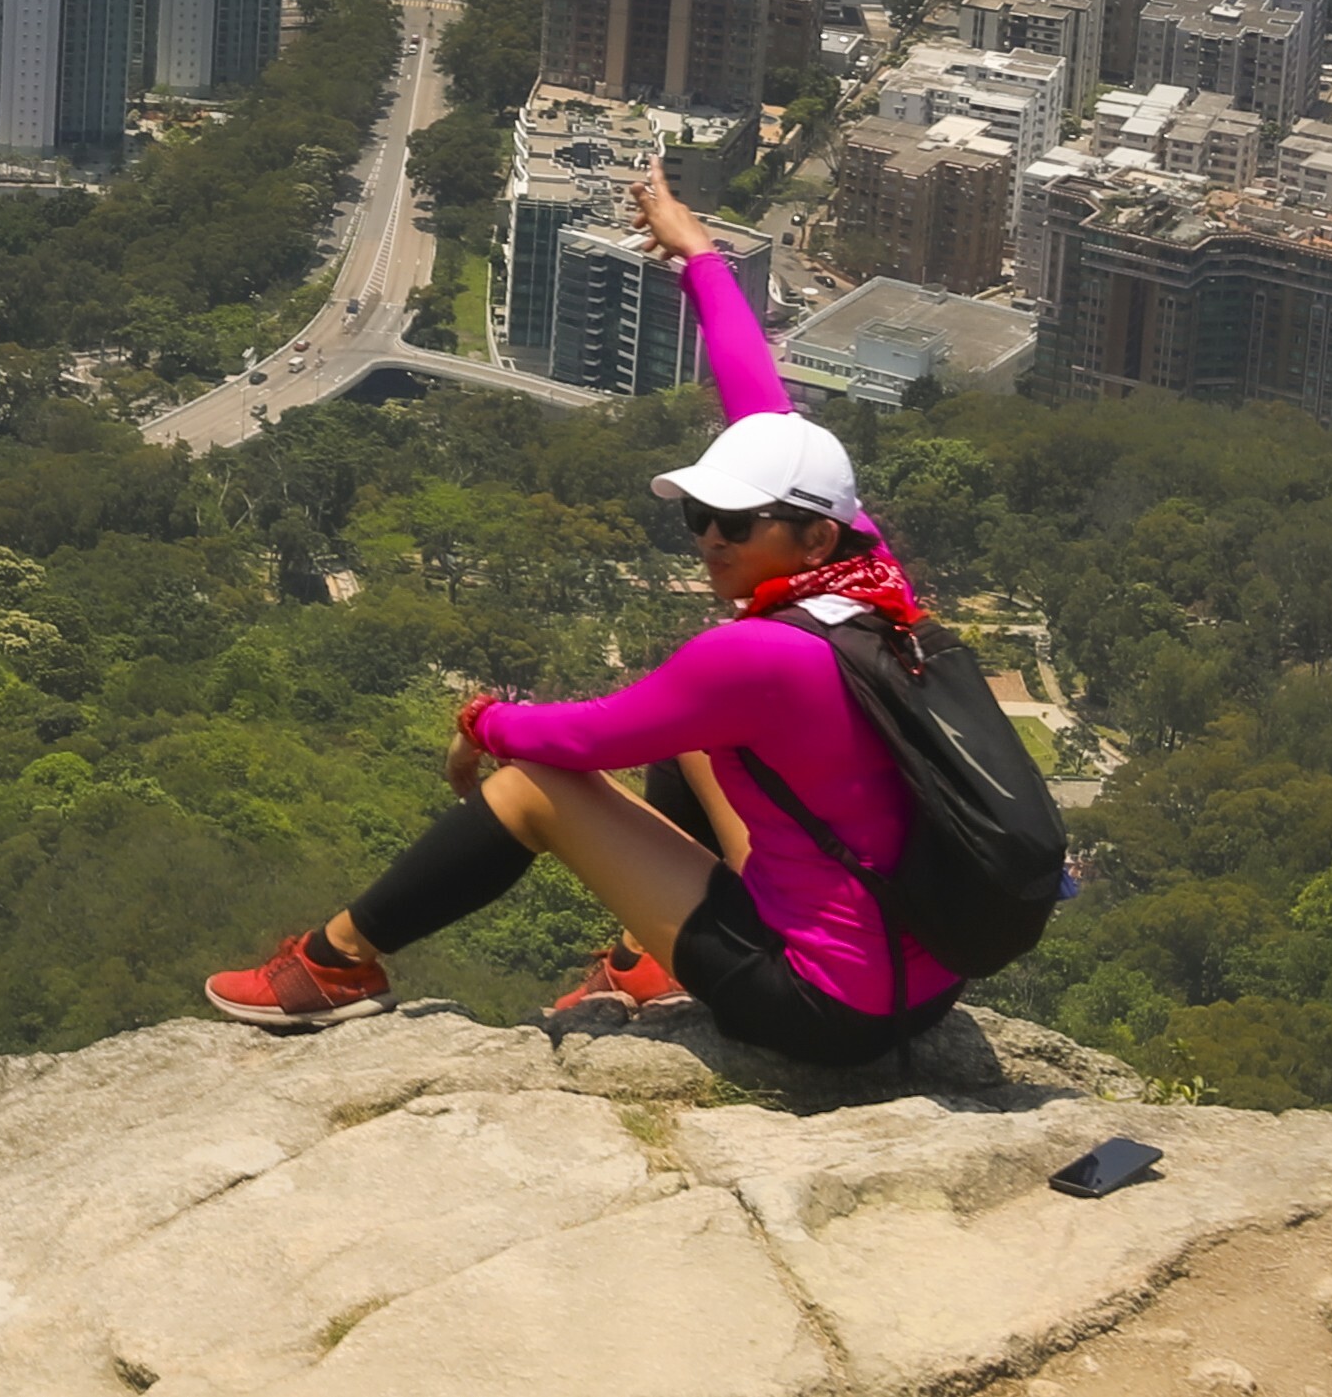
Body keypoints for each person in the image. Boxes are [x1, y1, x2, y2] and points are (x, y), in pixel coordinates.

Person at [200, 165, 958, 1063]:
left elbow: (581, 741)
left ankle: (336, 963)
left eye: (733, 523)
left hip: (819, 1008)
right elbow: (763, 407)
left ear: (809, 534)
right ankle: (651, 957)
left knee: (531, 789)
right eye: (696, 514)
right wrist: (701, 258)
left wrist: (482, 721)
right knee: (701, 742)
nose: (709, 539)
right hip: (916, 974)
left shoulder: (755, 657)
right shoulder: (867, 575)